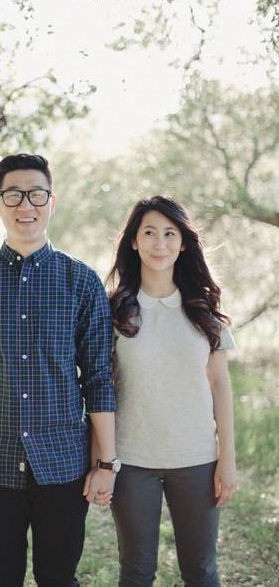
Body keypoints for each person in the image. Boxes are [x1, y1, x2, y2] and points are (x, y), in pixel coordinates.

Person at [0, 154, 118, 587]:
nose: (26, 205)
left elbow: (98, 379)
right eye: (14, 194)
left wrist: (106, 463)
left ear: (51, 203)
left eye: (36, 194)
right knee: (0, 577)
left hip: (63, 465)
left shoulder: (82, 281)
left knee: (58, 578)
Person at [107, 195, 237, 587]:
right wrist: (103, 459)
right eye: (149, 232)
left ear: (183, 243)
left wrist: (226, 459)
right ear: (134, 241)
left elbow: (220, 386)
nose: (159, 243)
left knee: (200, 570)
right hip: (132, 463)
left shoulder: (204, 310)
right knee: (136, 570)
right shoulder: (113, 310)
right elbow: (101, 389)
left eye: (169, 233)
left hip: (197, 460)